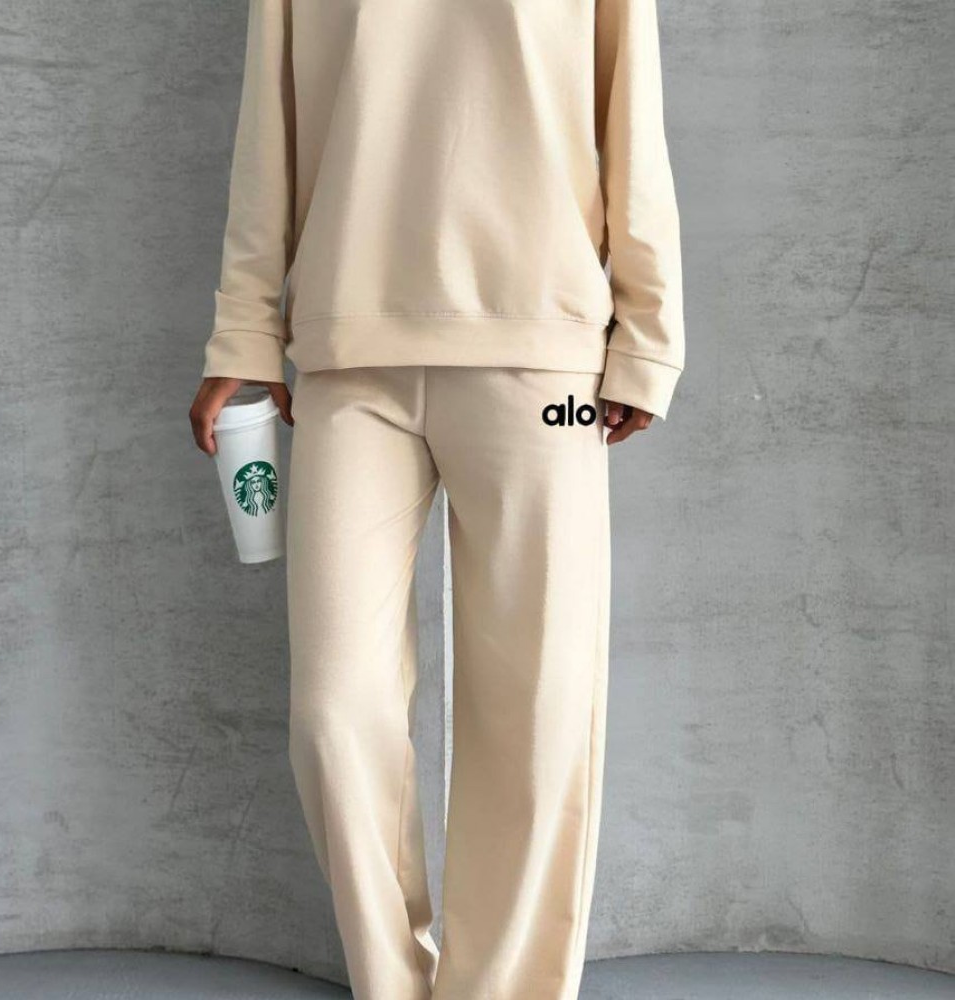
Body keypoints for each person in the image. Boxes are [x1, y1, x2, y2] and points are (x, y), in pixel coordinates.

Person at [189, 0, 684, 997]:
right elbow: (268, 124)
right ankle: (394, 984)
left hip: (538, 353)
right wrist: (244, 332)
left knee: (539, 706)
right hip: (350, 351)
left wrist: (648, 331)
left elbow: (631, 113)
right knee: (335, 710)